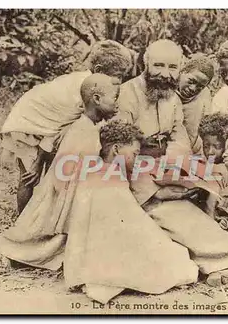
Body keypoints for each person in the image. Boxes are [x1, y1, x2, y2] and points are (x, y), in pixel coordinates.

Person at [64, 120, 199, 304]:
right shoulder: (111, 176)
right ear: (117, 149)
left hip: (87, 254)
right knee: (177, 259)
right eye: (135, 154)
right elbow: (133, 223)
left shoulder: (95, 169)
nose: (137, 160)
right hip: (109, 249)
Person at [0, 73, 121, 271]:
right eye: (115, 98)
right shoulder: (81, 129)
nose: (118, 104)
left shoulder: (88, 126)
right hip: (66, 190)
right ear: (97, 99)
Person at [0, 40, 132, 214]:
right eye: (118, 76)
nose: (121, 82)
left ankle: (47, 215)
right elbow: (55, 130)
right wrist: (38, 164)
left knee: (57, 169)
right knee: (30, 176)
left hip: (45, 124)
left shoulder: (93, 86)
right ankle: (21, 222)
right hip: (27, 124)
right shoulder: (80, 95)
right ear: (99, 70)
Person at [115, 39, 190, 159]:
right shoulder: (127, 93)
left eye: (173, 67)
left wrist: (172, 161)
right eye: (158, 65)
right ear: (146, 64)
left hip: (167, 160)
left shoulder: (174, 97)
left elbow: (179, 136)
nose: (165, 74)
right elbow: (123, 143)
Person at [176, 54, 215, 154]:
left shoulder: (204, 96)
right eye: (191, 81)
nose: (193, 88)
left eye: (200, 86)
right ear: (182, 71)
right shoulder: (164, 91)